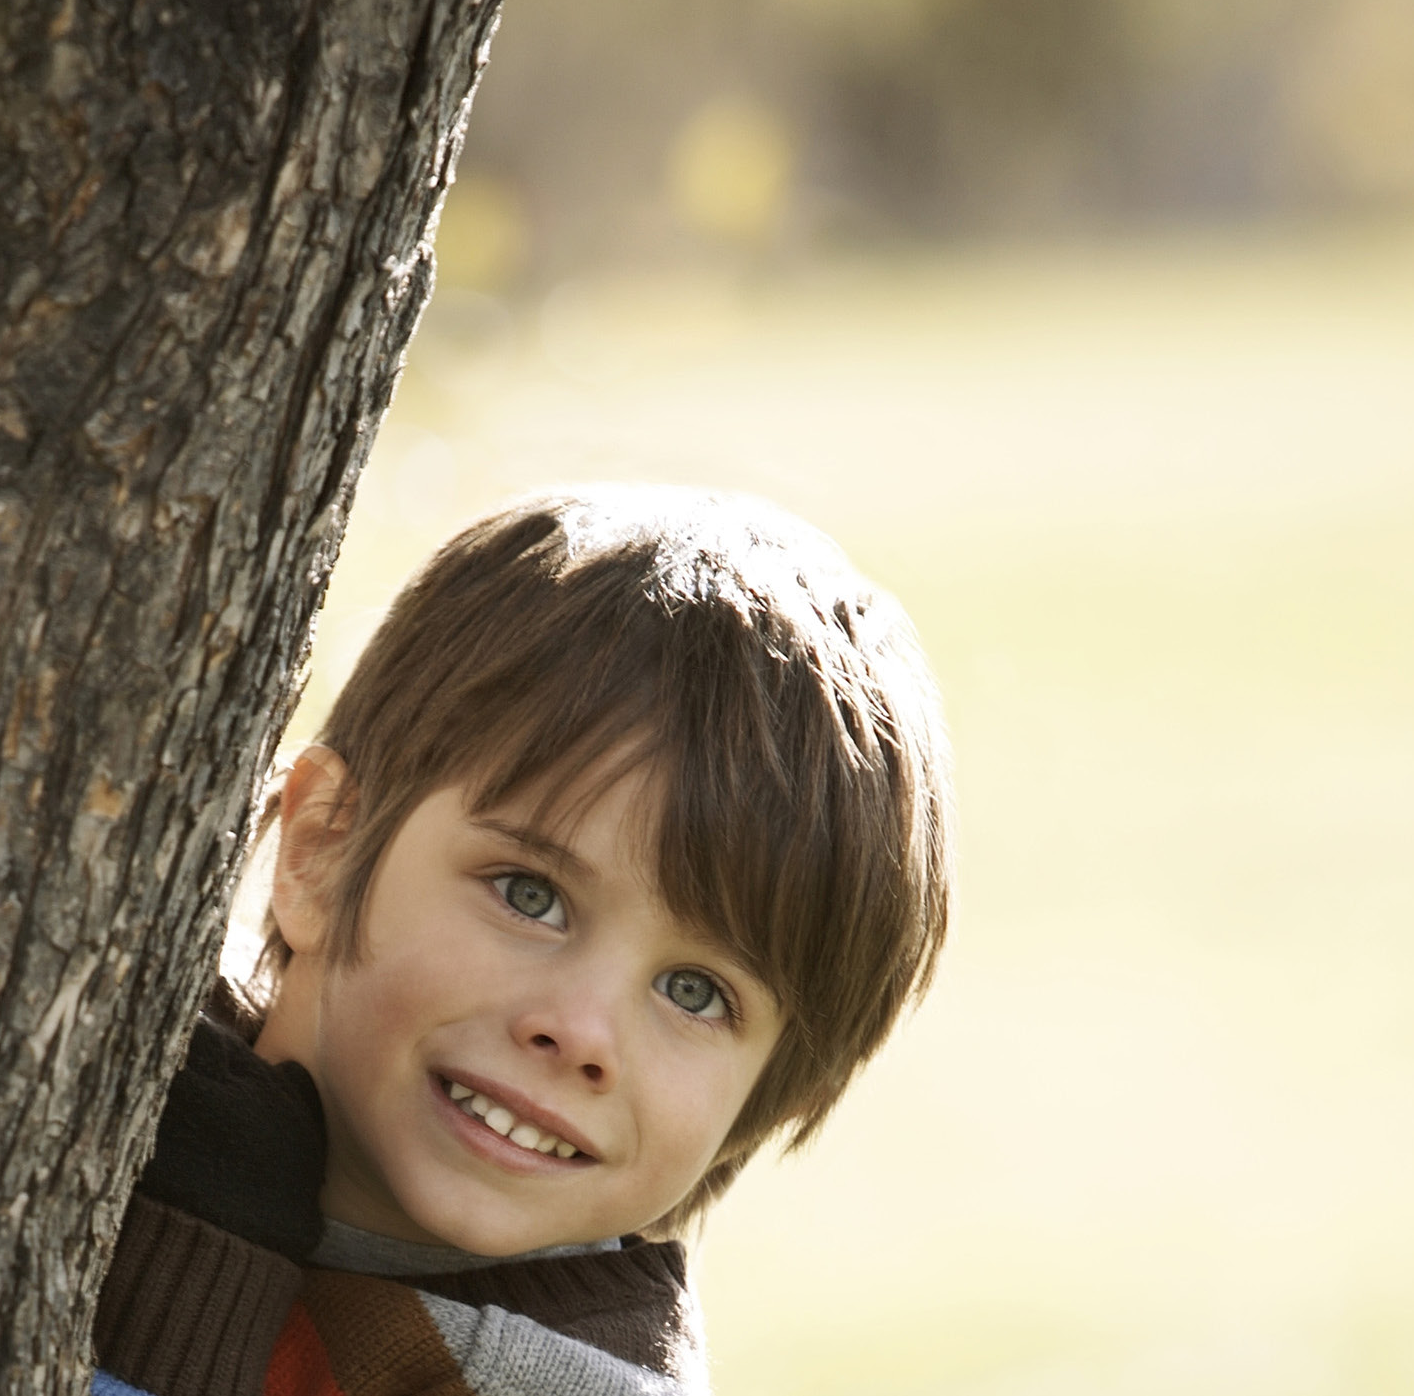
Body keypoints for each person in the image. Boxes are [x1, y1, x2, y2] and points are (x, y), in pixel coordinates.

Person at [95, 485, 955, 1396]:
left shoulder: (559, 1381)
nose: (579, 1031)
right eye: (530, 895)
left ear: (767, 1101)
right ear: (320, 848)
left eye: (695, 991)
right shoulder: (99, 1052)